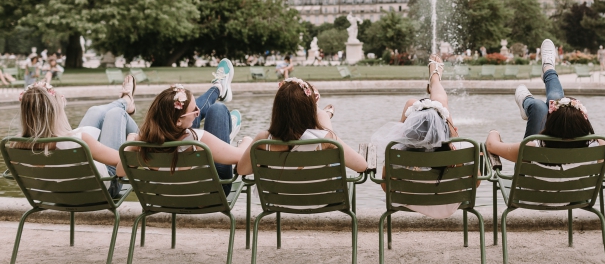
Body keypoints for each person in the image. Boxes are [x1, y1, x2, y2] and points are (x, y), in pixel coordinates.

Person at [118, 59, 250, 194]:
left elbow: (120, 171)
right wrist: (247, 141)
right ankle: (224, 128)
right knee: (218, 109)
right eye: (195, 110)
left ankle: (218, 88)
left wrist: (131, 141)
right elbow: (242, 156)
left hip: (165, 200)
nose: (198, 112)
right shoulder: (199, 138)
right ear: (178, 122)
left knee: (200, 119)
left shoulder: (143, 140)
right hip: (210, 198)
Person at [371, 54, 467, 219]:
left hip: (408, 199)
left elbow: (386, 186)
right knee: (440, 107)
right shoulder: (457, 156)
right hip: (447, 203)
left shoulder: (395, 155)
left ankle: (435, 87)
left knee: (416, 104)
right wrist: (452, 143)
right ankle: (435, 83)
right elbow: (476, 182)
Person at [12, 76, 138, 196]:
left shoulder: (15, 145)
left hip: (57, 193)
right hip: (102, 188)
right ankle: (126, 101)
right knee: (116, 114)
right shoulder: (80, 141)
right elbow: (123, 162)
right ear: (55, 112)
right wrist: (130, 141)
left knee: (94, 111)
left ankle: (126, 101)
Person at [486, 39, 605, 163]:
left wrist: (494, 132)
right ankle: (546, 71)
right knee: (550, 104)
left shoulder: (532, 147)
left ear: (549, 122)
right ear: (584, 125)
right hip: (583, 181)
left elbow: (491, 145)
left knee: (540, 107)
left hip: (528, 178)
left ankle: (546, 72)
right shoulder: (599, 147)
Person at [236, 77, 367, 177]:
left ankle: (324, 115)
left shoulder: (263, 139)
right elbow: (361, 166)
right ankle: (323, 114)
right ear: (310, 111)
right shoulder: (327, 139)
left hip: (277, 201)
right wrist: (319, 115)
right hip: (322, 199)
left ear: (277, 109)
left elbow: (242, 170)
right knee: (328, 147)